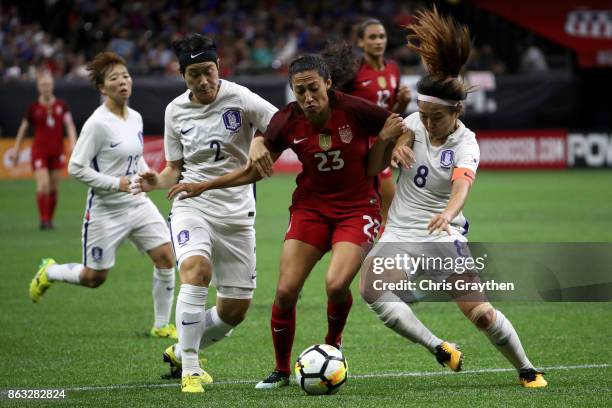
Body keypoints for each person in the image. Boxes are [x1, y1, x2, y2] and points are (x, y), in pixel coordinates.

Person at [166, 54, 408, 390]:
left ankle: (333, 345)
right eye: (299, 91)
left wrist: (394, 146)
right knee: (284, 291)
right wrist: (207, 182)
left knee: (336, 285)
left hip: (356, 208)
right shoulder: (287, 120)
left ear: (327, 83)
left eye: (313, 89)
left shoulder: (355, 109)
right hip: (311, 208)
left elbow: (398, 130)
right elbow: (256, 169)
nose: (307, 97)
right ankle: (280, 370)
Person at [363, 8, 547, 388]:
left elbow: (462, 186)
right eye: (424, 114)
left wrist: (448, 214)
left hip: (443, 236)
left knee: (480, 313)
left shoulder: (467, 144)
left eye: (436, 118)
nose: (427, 123)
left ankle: (527, 369)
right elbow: (374, 167)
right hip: (399, 231)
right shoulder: (412, 125)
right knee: (371, 290)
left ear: (457, 111)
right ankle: (438, 347)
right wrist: (389, 145)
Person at [130, 34, 278, 393]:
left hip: (237, 214)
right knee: (195, 270)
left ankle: (182, 350)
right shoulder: (175, 111)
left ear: (218, 68)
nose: (204, 80)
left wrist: (260, 138)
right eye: (194, 73)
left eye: (209, 71)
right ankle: (191, 370)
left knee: (234, 311)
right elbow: (172, 171)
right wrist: (155, 180)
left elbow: (281, 124)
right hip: (191, 205)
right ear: (183, 75)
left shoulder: (240, 97)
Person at [28, 52, 178, 341]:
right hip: (105, 211)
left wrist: (148, 174)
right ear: (102, 87)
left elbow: (135, 159)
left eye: (125, 75)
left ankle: (161, 325)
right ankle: (51, 271)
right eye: (114, 78)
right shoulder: (97, 124)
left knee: (165, 257)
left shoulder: (134, 118)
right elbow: (75, 167)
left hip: (137, 203)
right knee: (94, 278)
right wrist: (114, 183)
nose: (123, 82)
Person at [322, 19, 411, 230]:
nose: (378, 41)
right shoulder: (353, 72)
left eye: (381, 36)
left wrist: (402, 104)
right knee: (388, 212)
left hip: (382, 143)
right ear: (361, 42)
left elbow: (389, 114)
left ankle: (374, 258)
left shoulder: (393, 69)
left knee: (386, 213)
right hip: (358, 146)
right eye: (372, 37)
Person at [11, 72, 77, 229]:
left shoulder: (61, 105)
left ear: (52, 86)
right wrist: (16, 149)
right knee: (43, 185)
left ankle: (50, 219)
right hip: (39, 151)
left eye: (48, 85)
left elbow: (69, 125)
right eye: (43, 85)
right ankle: (44, 220)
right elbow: (23, 128)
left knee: (54, 187)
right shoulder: (33, 108)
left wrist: (74, 144)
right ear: (38, 87)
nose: (46, 88)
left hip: (57, 151)